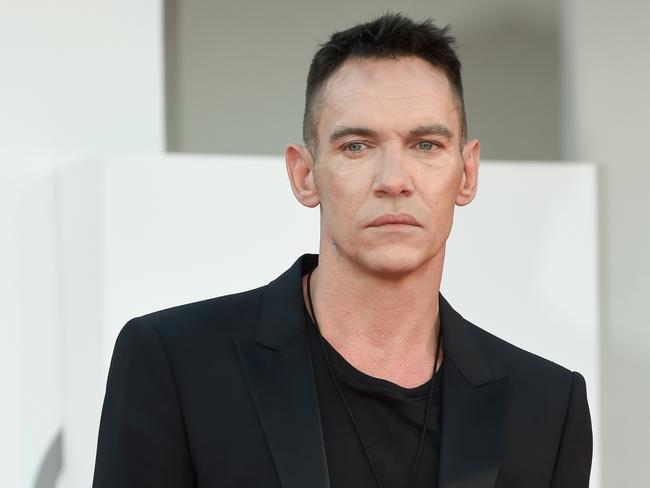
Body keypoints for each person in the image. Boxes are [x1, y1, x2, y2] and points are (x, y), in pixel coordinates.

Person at [92, 13, 592, 488]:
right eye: (356, 145)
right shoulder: (176, 364)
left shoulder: (546, 405)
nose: (394, 181)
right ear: (304, 174)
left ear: (468, 172)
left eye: (425, 145)